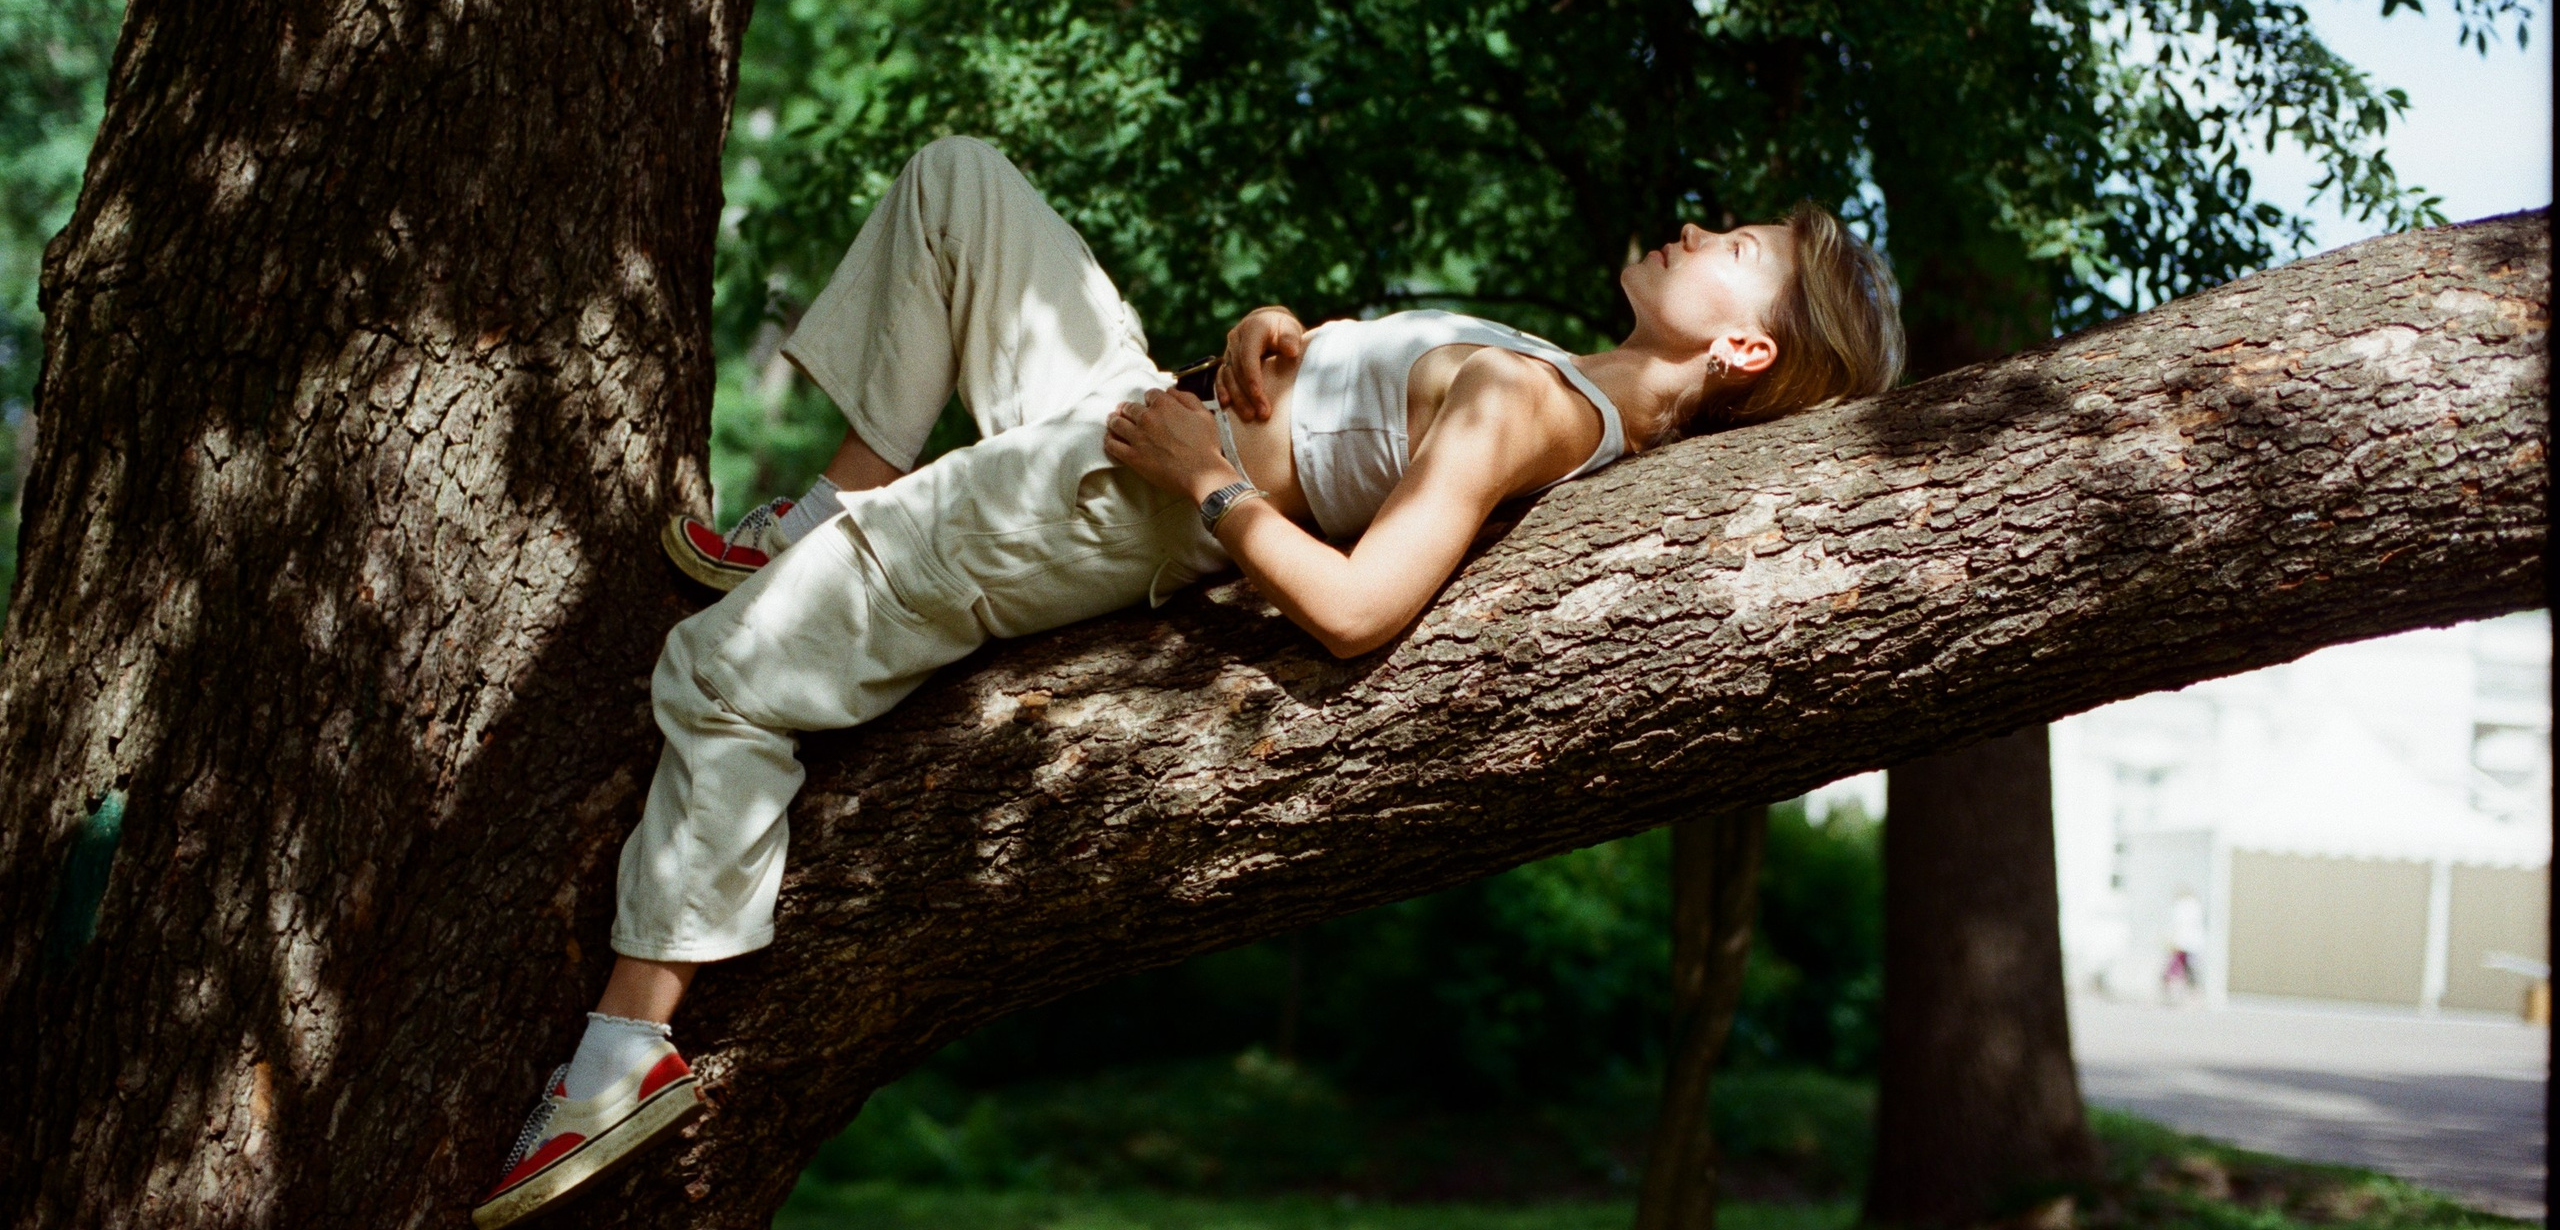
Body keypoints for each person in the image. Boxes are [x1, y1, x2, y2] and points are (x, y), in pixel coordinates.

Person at [472, 136, 1903, 1226]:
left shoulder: (1535, 405)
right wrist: (1284, 338)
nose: (1705, 225)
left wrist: (1214, 482)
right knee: (957, 180)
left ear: (1744, 345)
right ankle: (824, 512)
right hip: (1147, 408)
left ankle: (625, 1045)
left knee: (719, 675)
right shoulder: (1558, 371)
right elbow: (1351, 424)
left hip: (1118, 492)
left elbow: (1359, 606)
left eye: (1742, 245)